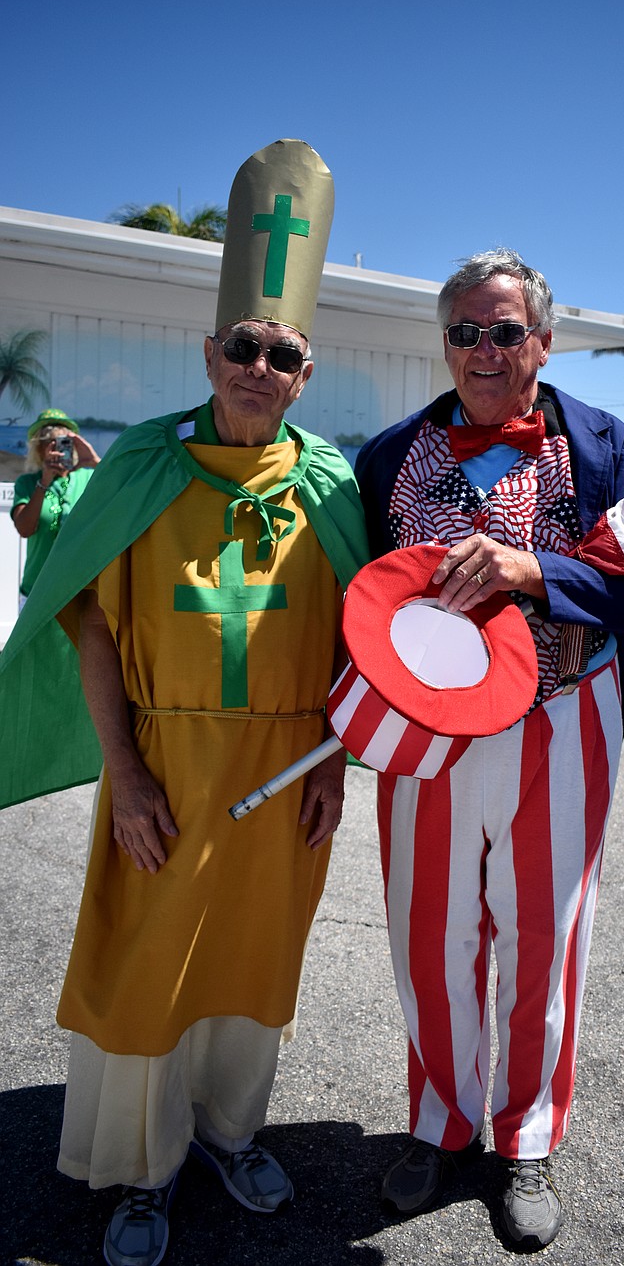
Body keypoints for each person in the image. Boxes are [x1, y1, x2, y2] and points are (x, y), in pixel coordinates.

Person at [0, 141, 367, 1266]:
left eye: (281, 353)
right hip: (163, 767)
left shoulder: (333, 486)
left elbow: (363, 643)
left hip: (286, 774)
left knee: (256, 966)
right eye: (242, 346)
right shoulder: (140, 470)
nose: (259, 365)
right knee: (148, 968)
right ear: (210, 353)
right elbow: (92, 626)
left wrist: (335, 766)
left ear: (306, 373)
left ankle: (228, 1132)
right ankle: (141, 1168)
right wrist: (124, 776)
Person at [355, 249, 624, 1252]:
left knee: (546, 939)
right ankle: (441, 1123)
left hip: (563, 719)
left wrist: (533, 571)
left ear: (542, 341)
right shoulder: (388, 456)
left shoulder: (602, 446)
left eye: (504, 331)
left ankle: (526, 1140)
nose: (483, 350)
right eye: (465, 332)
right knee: (431, 937)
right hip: (428, 733)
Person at [11, 409, 100, 606]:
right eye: (50, 443)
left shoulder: (89, 478)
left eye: (65, 443)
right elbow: (24, 529)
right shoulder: (28, 483)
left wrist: (96, 462)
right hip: (37, 589)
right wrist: (44, 482)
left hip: (79, 590)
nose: (59, 450)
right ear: (38, 449)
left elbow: (127, 494)